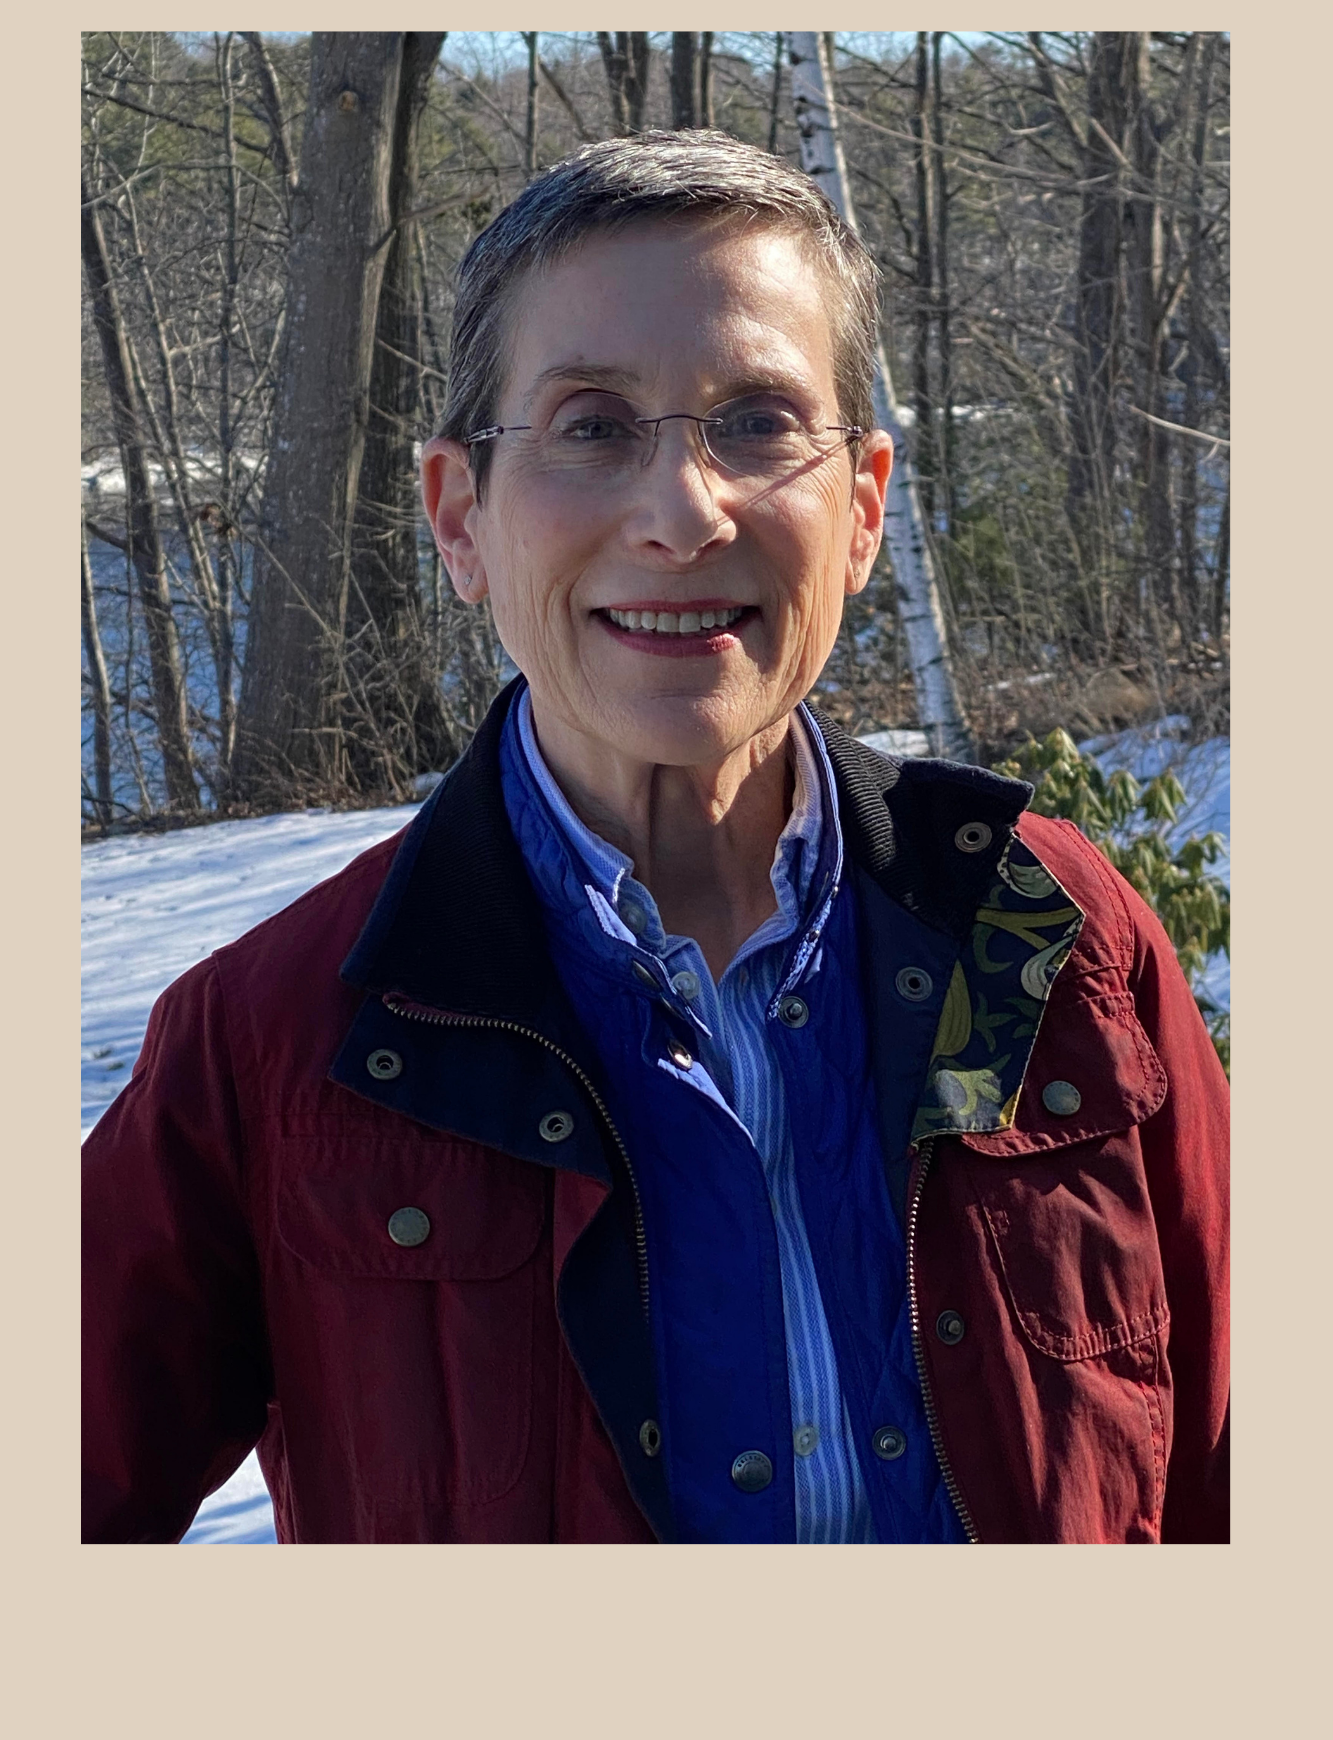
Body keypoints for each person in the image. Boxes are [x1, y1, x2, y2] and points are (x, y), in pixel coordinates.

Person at [82, 131, 1229, 1544]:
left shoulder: (1055, 942)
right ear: (460, 516)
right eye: (592, 425)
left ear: (861, 508)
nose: (683, 512)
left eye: (757, 421)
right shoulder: (271, 1048)